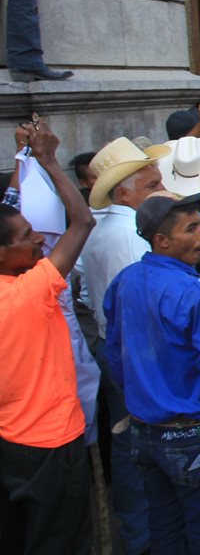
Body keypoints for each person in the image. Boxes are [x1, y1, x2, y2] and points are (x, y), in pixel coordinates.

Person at [103, 192, 200, 554]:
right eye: (191, 228)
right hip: (193, 430)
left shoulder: (125, 281)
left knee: (163, 522)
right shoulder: (198, 293)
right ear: (162, 241)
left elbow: (114, 352)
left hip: (145, 428)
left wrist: (139, 398)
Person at [0, 119, 96, 554]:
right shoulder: (29, 292)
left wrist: (23, 160)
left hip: (11, 443)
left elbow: (11, 205)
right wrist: (50, 162)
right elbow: (81, 221)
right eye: (25, 238)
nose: (39, 238)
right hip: (52, 444)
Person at [79, 137, 166, 555]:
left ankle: (139, 534)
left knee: (128, 442)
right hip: (138, 355)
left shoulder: (98, 229)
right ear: (123, 192)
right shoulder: (132, 237)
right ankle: (147, 536)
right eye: (152, 186)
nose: (160, 191)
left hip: (114, 347)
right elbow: (146, 304)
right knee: (142, 448)